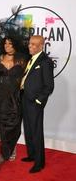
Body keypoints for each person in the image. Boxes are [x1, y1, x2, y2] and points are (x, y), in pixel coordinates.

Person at [21, 35, 54, 173]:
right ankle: (32, 155)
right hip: (24, 99)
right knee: (28, 130)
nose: (30, 46)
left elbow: (49, 86)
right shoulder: (31, 59)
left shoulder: (45, 61)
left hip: (35, 102)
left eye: (34, 44)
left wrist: (39, 101)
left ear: (42, 46)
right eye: (30, 44)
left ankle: (39, 163)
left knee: (36, 132)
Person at [0, 36, 27, 163]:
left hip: (15, 96)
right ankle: (5, 152)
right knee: (2, 124)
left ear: (15, 44)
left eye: (10, 43)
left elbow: (28, 77)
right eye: (5, 43)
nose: (7, 46)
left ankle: (12, 147)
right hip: (0, 96)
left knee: (14, 124)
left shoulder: (22, 59)